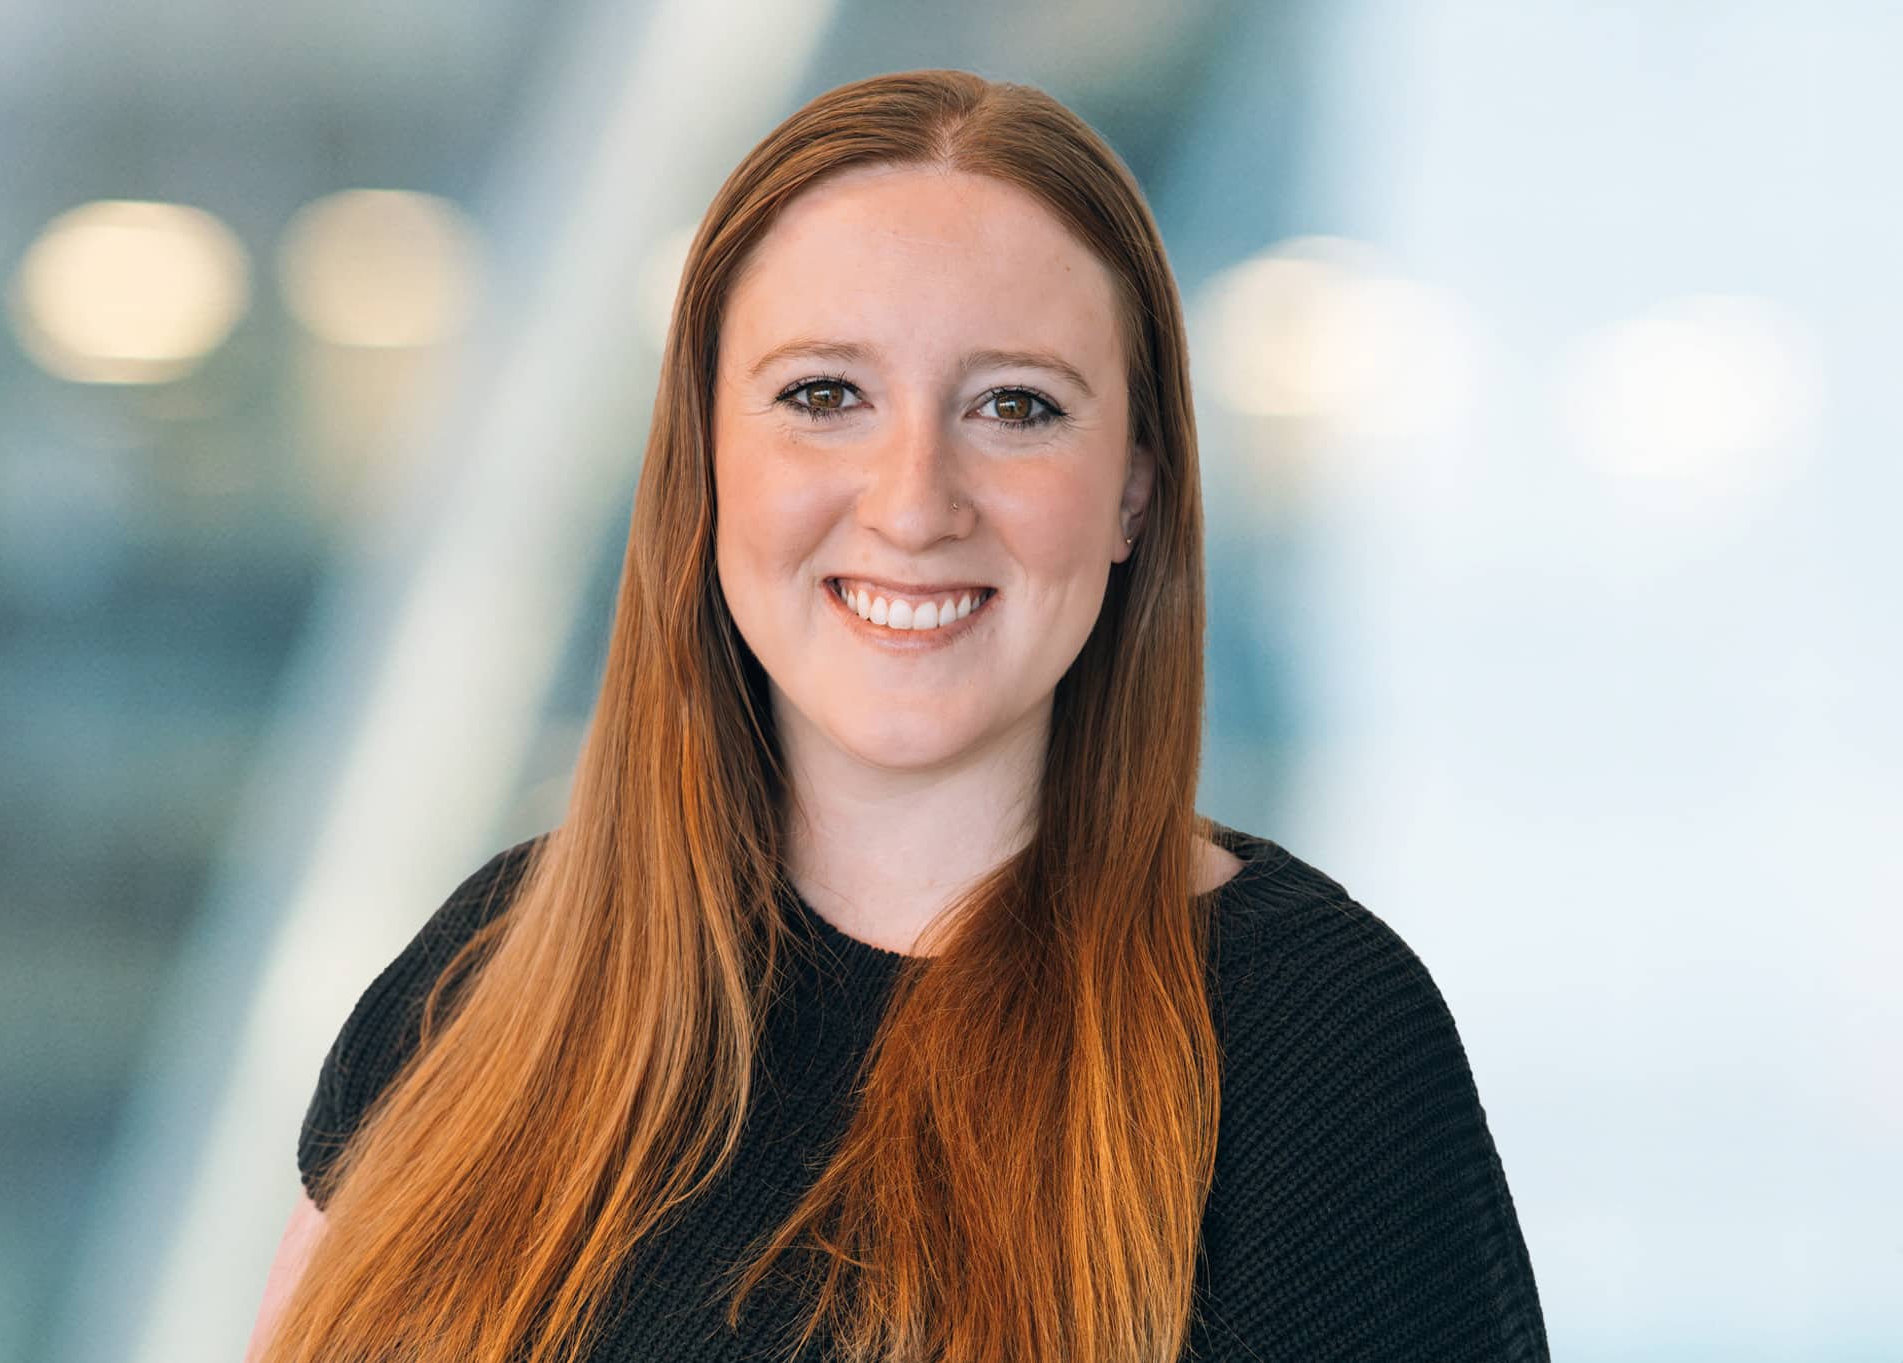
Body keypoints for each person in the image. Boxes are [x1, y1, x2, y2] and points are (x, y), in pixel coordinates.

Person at [247, 68, 1549, 1363]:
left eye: (1015, 407)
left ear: (1133, 494)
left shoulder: (1315, 1039)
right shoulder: (489, 974)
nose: (915, 502)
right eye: (825, 395)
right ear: (706, 459)